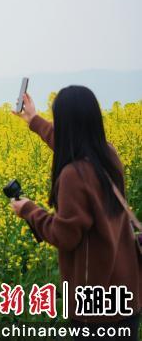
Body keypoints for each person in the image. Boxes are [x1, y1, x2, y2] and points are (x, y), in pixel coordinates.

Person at [10, 87, 141, 340]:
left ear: (65, 124)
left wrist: (29, 210)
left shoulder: (74, 175)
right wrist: (33, 120)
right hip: (127, 291)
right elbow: (70, 145)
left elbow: (65, 235)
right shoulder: (109, 155)